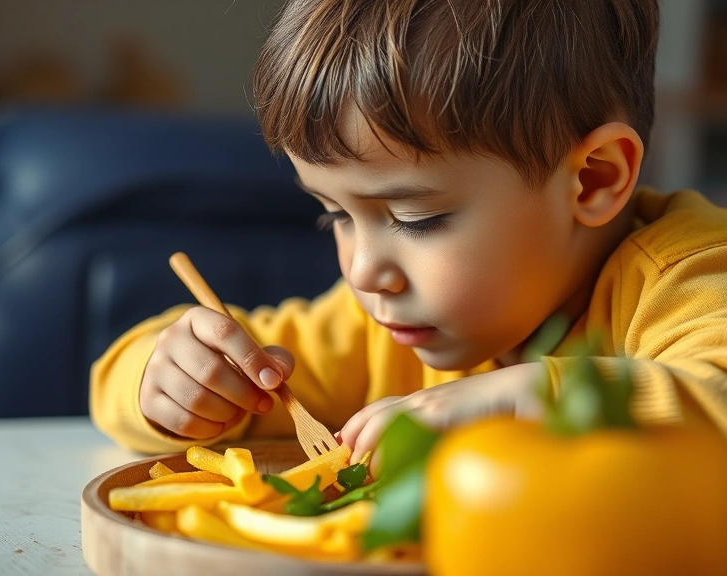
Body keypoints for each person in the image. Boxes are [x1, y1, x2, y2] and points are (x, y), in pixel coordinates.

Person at [90, 0, 727, 463]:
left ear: (591, 180)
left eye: (417, 220)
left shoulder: (686, 272)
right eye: (336, 215)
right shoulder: (380, 330)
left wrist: (524, 398)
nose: (363, 270)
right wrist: (174, 381)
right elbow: (120, 382)